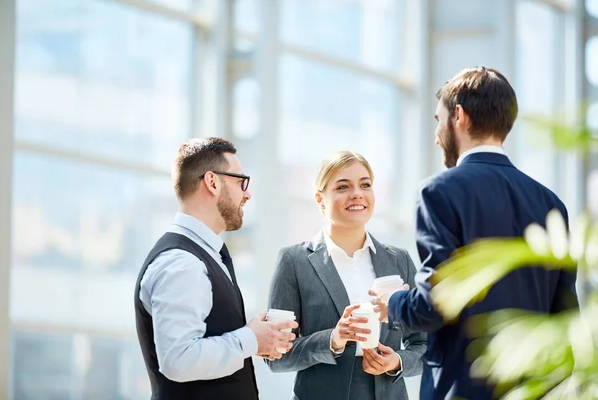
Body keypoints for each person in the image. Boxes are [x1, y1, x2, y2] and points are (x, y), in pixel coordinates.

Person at [370, 67, 578, 400]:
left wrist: (392, 303)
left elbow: (435, 304)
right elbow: (566, 322)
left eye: (438, 120)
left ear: (459, 116)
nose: (437, 134)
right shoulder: (551, 204)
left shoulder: (439, 192)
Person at [134, 137, 298, 400]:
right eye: (240, 181)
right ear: (212, 182)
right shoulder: (182, 263)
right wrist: (250, 339)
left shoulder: (202, 256)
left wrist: (255, 338)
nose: (247, 194)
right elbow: (178, 359)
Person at [266, 151, 426, 400]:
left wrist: (397, 362)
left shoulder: (399, 260)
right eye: (343, 186)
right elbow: (276, 357)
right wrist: (333, 340)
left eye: (365, 184)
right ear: (320, 200)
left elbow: (428, 345)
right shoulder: (293, 262)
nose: (357, 193)